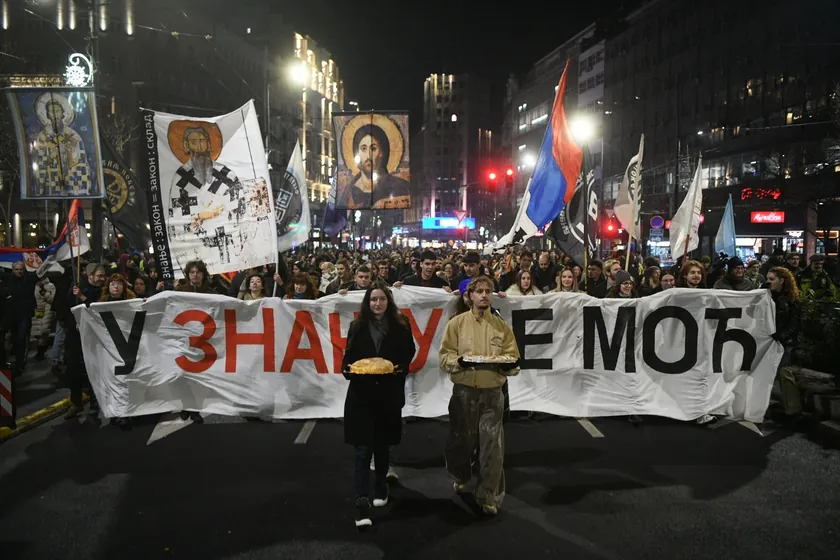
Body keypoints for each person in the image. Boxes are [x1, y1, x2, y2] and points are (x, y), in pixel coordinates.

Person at [440, 276, 520, 516]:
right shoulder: (456, 324)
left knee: (492, 447)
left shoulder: (501, 326)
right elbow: (444, 359)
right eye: (480, 291)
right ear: (470, 296)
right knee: (461, 443)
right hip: (464, 393)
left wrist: (509, 366)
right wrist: (460, 362)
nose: (484, 295)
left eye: (488, 291)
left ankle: (488, 495)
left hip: (493, 394)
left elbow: (513, 360)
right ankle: (461, 474)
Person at [342, 282, 416, 529]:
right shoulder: (357, 326)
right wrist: (348, 370)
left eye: (381, 299)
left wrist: (399, 370)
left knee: (382, 447)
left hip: (388, 395)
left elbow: (409, 353)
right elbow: (348, 358)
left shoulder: (401, 326)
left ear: (388, 301)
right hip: (361, 398)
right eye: (373, 299)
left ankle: (381, 485)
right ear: (367, 302)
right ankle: (361, 501)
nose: (377, 303)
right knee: (362, 450)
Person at [337, 122, 410, 209]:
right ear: (357, 153)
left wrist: (383, 203)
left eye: (373, 148)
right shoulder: (348, 191)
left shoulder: (399, 186)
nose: (368, 155)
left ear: (382, 153)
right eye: (363, 148)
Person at [766, 267, 802, 419]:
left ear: (782, 280)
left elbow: (794, 325)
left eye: (772, 279)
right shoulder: (766, 297)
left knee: (784, 372)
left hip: (784, 342)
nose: (768, 282)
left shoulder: (792, 299)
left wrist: (781, 337)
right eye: (767, 279)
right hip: (768, 341)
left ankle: (793, 412)